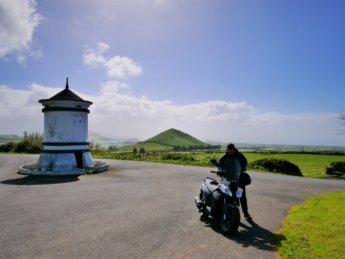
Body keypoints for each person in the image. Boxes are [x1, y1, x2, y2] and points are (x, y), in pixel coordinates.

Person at [218, 143, 252, 221]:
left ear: (234, 149)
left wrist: (243, 170)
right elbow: (220, 165)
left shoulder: (239, 156)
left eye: (231, 151)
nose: (230, 152)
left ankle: (246, 213)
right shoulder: (224, 156)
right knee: (224, 193)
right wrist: (220, 170)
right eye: (228, 151)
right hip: (227, 178)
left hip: (238, 178)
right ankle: (223, 211)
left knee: (242, 195)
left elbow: (245, 163)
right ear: (227, 149)